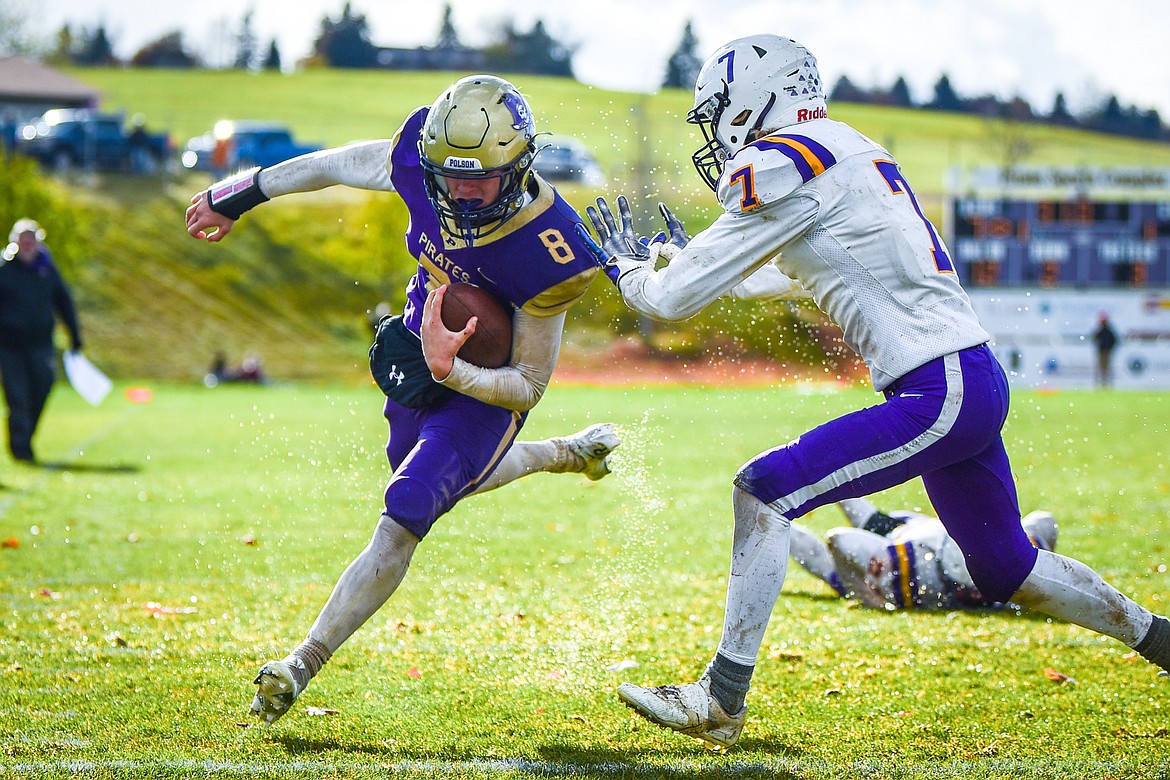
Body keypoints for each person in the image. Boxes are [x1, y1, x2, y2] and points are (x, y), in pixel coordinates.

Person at [579, 34, 1170, 750]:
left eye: (720, 111)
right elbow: (795, 267)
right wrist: (678, 265)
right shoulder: (844, 146)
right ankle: (1159, 639)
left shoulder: (783, 160)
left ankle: (720, 699)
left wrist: (627, 272)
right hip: (967, 377)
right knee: (1010, 568)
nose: (717, 132)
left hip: (936, 388)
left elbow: (667, 303)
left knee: (763, 488)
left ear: (757, 98)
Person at [185, 74, 617, 726]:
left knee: (408, 507)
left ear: (520, 163)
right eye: (452, 179)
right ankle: (562, 454)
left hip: (486, 391)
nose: (464, 194)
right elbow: (332, 164)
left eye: (481, 180)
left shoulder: (554, 247)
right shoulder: (419, 157)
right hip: (416, 354)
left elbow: (528, 382)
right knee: (439, 483)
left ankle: (300, 663)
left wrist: (458, 373)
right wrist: (237, 195)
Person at [790, 497, 1058, 610]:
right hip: (900, 537)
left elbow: (1045, 523)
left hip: (902, 540)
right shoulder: (919, 571)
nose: (978, 594)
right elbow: (839, 540)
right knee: (840, 488)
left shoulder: (1014, 568)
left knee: (796, 534)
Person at [0, 219, 83, 463]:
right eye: (22, 240)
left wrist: (75, 335)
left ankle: (25, 438)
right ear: (14, 242)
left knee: (42, 388)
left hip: (41, 343)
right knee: (18, 397)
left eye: (31, 240)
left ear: (37, 242)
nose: (26, 244)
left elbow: (63, 302)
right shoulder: (4, 268)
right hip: (10, 345)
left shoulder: (47, 268)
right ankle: (21, 449)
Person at [1091, 312, 1119, 388]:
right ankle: (1099, 384)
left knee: (1106, 368)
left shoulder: (1109, 331)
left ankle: (1106, 384)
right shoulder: (1100, 331)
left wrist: (1109, 349)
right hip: (1101, 352)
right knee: (1100, 368)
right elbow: (1094, 338)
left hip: (1106, 352)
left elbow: (1114, 340)